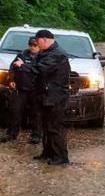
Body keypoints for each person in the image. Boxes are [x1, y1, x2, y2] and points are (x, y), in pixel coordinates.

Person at [13, 29, 71, 165]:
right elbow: (35, 67)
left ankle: (61, 157)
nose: (36, 44)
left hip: (55, 96)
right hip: (45, 95)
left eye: (37, 41)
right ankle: (48, 153)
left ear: (44, 39)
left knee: (55, 127)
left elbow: (39, 69)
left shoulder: (57, 54)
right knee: (46, 126)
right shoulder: (46, 52)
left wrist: (23, 66)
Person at [0, 37, 42, 144]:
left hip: (35, 89)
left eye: (35, 45)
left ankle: (36, 135)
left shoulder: (42, 57)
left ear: (39, 46)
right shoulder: (22, 55)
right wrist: (12, 80)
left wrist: (24, 66)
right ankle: (11, 134)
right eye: (30, 45)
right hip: (20, 88)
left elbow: (40, 70)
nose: (32, 47)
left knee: (36, 113)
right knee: (15, 111)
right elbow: (13, 68)